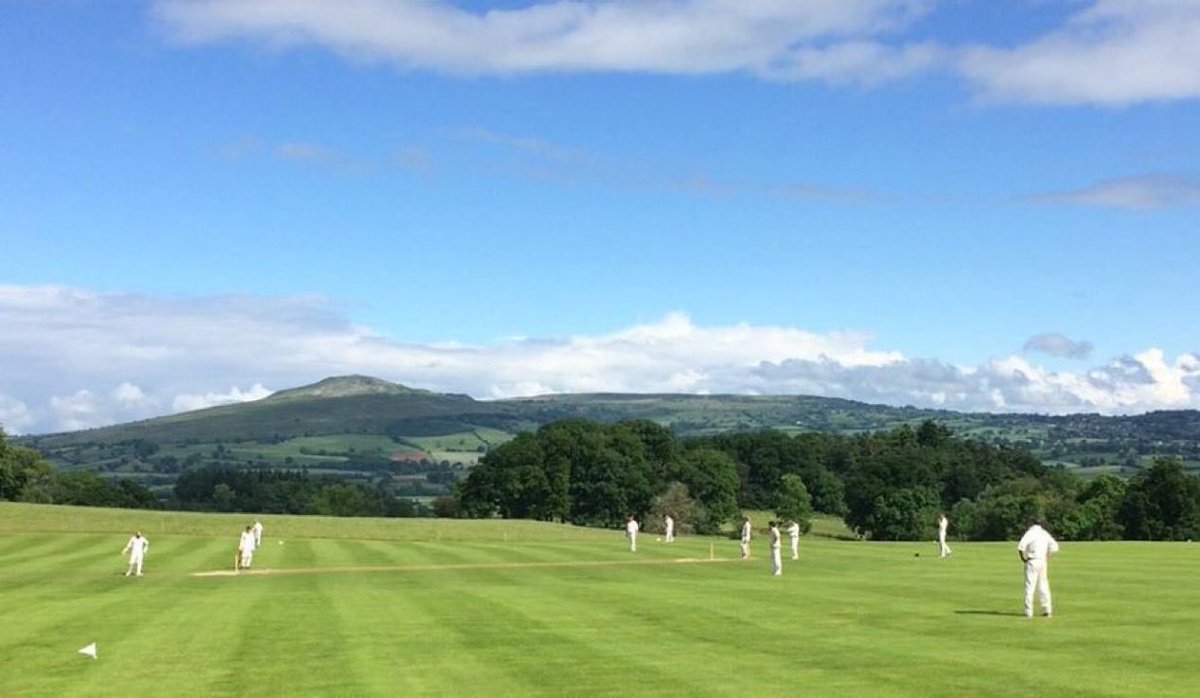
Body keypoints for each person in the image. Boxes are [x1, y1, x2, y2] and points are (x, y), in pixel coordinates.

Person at [1017, 519, 1060, 618]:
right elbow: (1055, 547)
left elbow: (1021, 547)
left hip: (1032, 560)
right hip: (1042, 561)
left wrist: (1023, 559)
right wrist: (1048, 557)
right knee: (1043, 585)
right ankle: (1047, 609)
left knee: (1029, 586)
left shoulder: (1030, 533)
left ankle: (1028, 612)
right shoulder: (1044, 533)